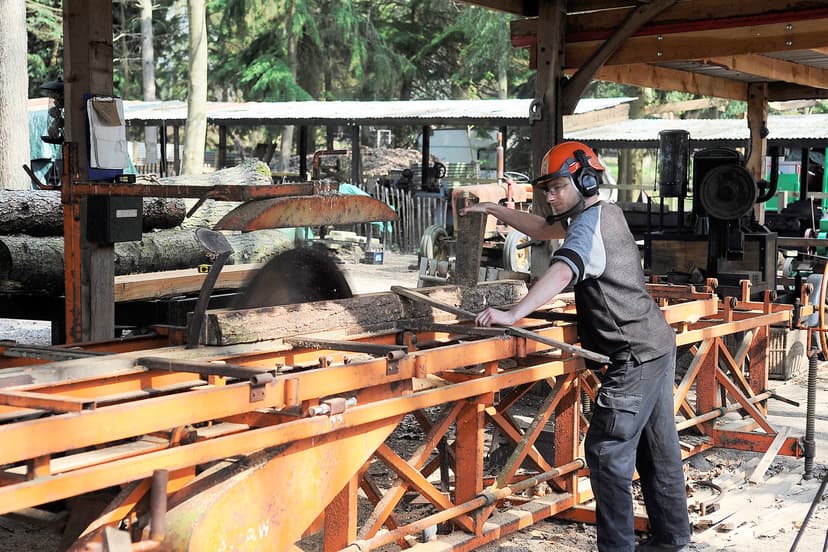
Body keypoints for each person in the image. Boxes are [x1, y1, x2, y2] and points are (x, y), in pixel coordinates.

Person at [460, 141, 691, 552]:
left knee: (605, 453)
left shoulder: (586, 227)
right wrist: (495, 210)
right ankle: (672, 541)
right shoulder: (603, 212)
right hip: (655, 343)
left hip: (633, 355)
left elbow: (564, 268)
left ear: (585, 180)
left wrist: (515, 313)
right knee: (657, 449)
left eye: (556, 187)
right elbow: (543, 229)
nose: (549, 196)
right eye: (544, 188)